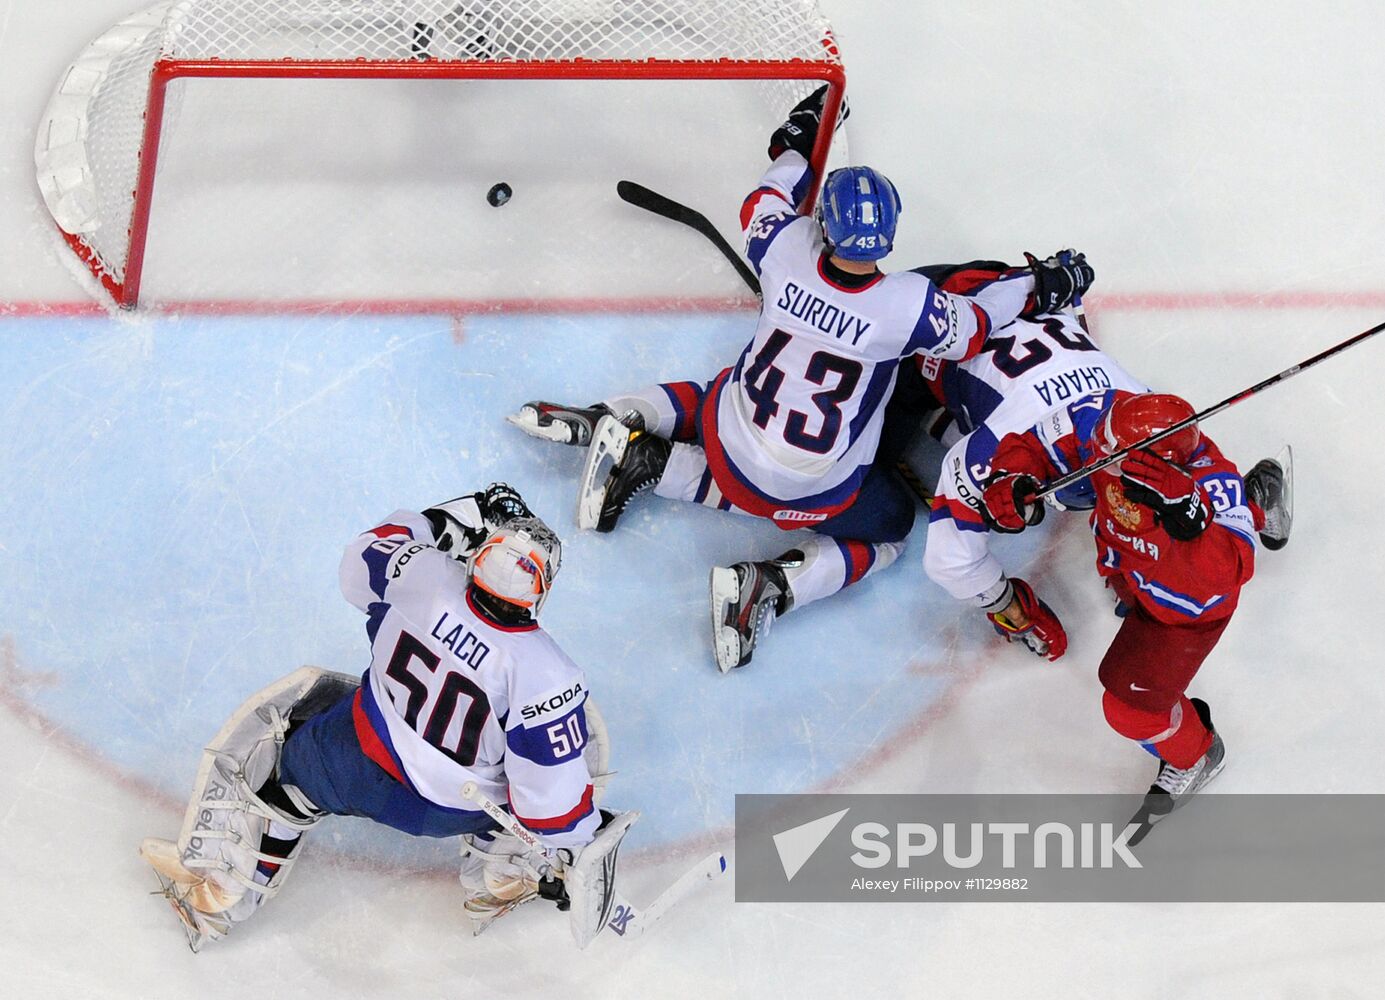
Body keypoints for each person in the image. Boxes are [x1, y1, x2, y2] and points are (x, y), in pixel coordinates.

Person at [510, 87, 1095, 671]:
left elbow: (767, 193)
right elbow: (978, 322)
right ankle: (763, 577)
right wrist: (1042, 282)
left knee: (718, 392)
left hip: (729, 433)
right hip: (807, 489)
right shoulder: (907, 305)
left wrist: (806, 133)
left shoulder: (785, 246)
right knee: (890, 528)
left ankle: (613, 419)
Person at [141, 484, 634, 950]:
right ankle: (505, 873)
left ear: (477, 560)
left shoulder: (425, 575)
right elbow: (549, 809)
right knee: (573, 740)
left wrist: (464, 513)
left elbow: (360, 561)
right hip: (452, 811)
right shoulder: (550, 675)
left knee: (287, 743)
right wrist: (570, 847)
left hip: (347, 762)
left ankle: (224, 885)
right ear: (540, 591)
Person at [907, 262, 1292, 661]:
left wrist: (1239, 512)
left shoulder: (1148, 418)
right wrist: (1010, 607)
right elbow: (947, 560)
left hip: (1024, 293)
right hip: (935, 310)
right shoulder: (995, 448)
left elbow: (1204, 474)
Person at [976, 391, 1260, 832]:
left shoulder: (1211, 483)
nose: (1095, 459)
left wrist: (1197, 524)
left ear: (1156, 468)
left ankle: (1198, 754)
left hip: (1182, 614)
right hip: (1135, 573)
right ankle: (1263, 500)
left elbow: (1231, 574)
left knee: (1128, 710)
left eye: (1109, 457)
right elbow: (1041, 441)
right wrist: (1011, 476)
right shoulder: (1115, 426)